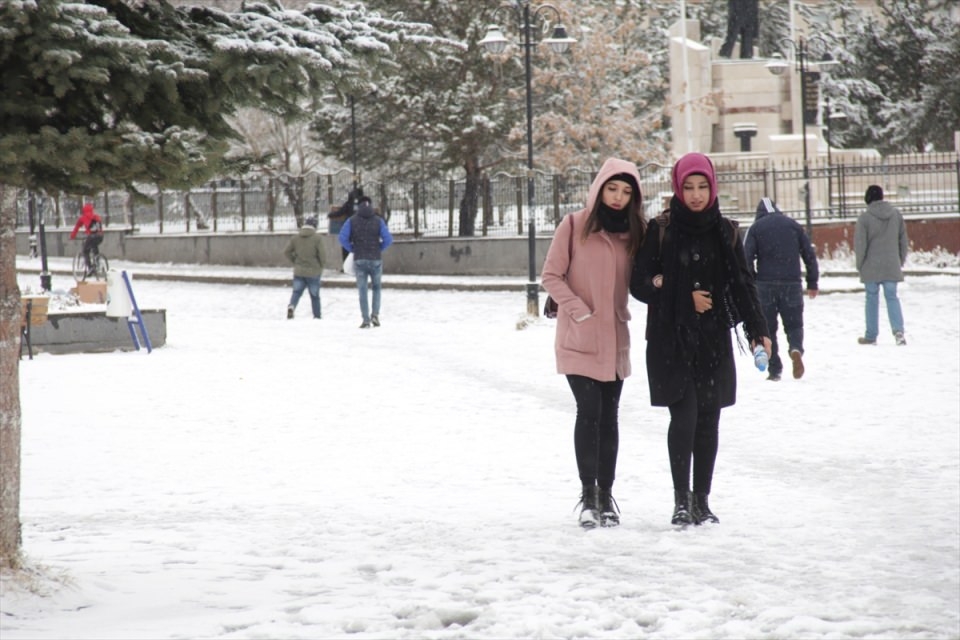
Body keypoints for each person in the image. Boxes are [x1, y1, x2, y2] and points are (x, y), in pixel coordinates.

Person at [630, 152, 770, 527]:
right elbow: (639, 284)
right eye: (688, 187)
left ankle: (701, 502)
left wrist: (758, 330)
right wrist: (681, 296)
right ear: (678, 188)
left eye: (702, 186)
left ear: (712, 187)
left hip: (712, 341)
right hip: (671, 341)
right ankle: (681, 501)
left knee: (708, 420)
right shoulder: (661, 230)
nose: (695, 194)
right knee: (685, 416)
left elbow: (743, 284)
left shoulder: (725, 231)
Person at [541, 157, 647, 529]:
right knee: (589, 411)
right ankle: (588, 496)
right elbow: (551, 275)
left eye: (626, 191)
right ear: (599, 188)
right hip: (579, 338)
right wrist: (579, 310)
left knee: (609, 416)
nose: (618, 197)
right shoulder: (574, 225)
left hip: (615, 338)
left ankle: (606, 496)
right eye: (612, 188)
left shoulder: (635, 233)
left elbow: (644, 278)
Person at [743, 197, 820, 381]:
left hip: (765, 285)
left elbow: (746, 258)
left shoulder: (756, 228)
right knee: (794, 324)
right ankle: (795, 349)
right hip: (792, 284)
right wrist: (812, 282)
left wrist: (752, 280)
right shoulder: (793, 225)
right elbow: (809, 254)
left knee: (768, 328)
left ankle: (774, 369)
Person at [855, 185, 909, 346]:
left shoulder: (864, 218)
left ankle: (871, 335)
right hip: (891, 264)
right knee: (892, 297)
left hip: (871, 265)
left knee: (871, 298)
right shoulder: (895, 215)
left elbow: (860, 244)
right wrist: (899, 260)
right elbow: (903, 240)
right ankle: (898, 332)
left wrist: (860, 265)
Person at [338, 196, 393, 328]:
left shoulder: (352, 220)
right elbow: (388, 239)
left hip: (360, 258)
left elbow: (342, 238)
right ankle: (375, 315)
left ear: (358, 206)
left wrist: (352, 248)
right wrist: (379, 248)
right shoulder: (378, 220)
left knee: (362, 290)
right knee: (376, 288)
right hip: (375, 258)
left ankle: (366, 320)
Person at [283, 215, 326, 319]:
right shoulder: (317, 238)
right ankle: (317, 316)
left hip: (299, 271)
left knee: (296, 292)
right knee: (315, 296)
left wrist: (295, 261)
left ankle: (292, 306)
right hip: (314, 271)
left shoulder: (295, 238)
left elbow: (286, 251)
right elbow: (322, 255)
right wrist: (321, 265)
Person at [69, 202, 104, 275]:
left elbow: (77, 227)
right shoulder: (96, 216)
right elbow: (99, 227)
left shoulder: (83, 218)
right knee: (94, 246)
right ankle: (97, 262)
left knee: (85, 251)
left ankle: (90, 268)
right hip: (100, 236)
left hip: (91, 236)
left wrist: (72, 236)